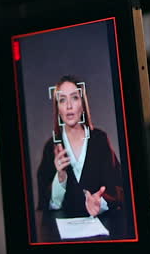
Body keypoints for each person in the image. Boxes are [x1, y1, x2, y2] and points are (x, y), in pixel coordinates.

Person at [36, 75, 130, 237]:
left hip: (102, 233)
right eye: (63, 100)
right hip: (63, 238)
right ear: (57, 107)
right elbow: (50, 205)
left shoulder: (99, 140)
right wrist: (61, 177)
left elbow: (118, 188)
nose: (69, 106)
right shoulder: (51, 147)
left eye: (75, 98)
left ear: (83, 104)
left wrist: (100, 203)